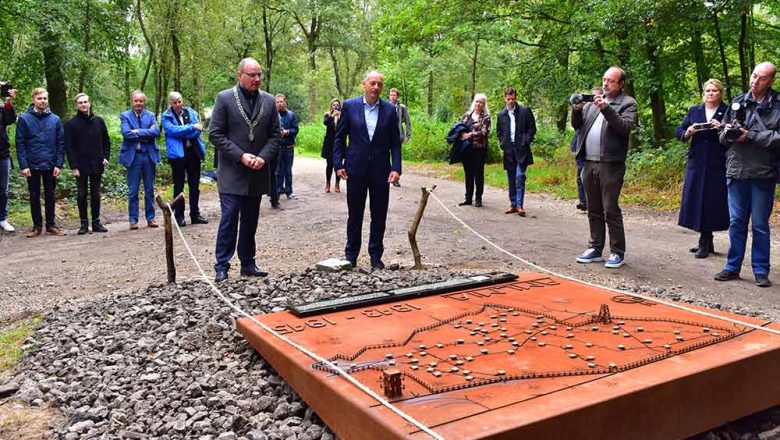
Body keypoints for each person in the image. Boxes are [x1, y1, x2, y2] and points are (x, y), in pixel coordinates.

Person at [209, 57, 281, 283]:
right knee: (229, 218)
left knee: (251, 219)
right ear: (239, 75)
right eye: (252, 75)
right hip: (232, 171)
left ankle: (248, 262)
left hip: (257, 171)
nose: (257, 79)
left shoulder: (269, 101)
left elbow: (275, 136)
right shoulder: (224, 98)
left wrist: (263, 157)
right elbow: (215, 134)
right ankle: (222, 265)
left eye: (259, 75)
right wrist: (240, 155)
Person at [714, 62, 780, 288]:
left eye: (761, 78)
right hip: (736, 170)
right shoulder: (737, 102)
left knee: (760, 224)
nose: (755, 81)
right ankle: (732, 266)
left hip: (763, 173)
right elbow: (722, 139)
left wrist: (749, 136)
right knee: (736, 222)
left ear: (771, 81)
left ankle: (761, 270)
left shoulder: (778, 105)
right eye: (753, 76)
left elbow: (777, 138)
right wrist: (728, 132)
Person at [333, 70, 402, 269]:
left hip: (381, 170)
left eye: (379, 84)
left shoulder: (389, 110)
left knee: (379, 214)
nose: (376, 87)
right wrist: (338, 164)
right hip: (355, 168)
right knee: (355, 213)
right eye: (372, 83)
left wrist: (396, 167)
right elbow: (339, 138)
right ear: (364, 84)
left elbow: (395, 143)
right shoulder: (350, 106)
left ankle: (375, 255)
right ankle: (351, 255)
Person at [572, 66, 638, 269]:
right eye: (604, 79)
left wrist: (606, 108)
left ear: (621, 84)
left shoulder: (628, 103)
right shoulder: (593, 102)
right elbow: (578, 126)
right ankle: (595, 248)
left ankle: (617, 252)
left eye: (611, 80)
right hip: (589, 162)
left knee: (610, 208)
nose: (606, 83)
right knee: (593, 208)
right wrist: (576, 110)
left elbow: (624, 127)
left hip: (611, 164)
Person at [675, 79, 729, 259]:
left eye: (714, 90)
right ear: (703, 93)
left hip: (718, 163)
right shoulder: (694, 111)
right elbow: (680, 130)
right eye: (708, 91)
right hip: (697, 162)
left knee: (712, 201)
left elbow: (734, 132)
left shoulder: (727, 111)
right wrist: (687, 132)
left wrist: (721, 128)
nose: (711, 94)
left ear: (720, 93)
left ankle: (705, 241)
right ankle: (706, 239)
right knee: (696, 199)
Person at [16, 88, 66, 237]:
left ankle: (51, 225)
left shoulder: (55, 119)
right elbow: (20, 143)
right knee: (34, 195)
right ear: (33, 100)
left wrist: (59, 163)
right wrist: (24, 165)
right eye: (40, 99)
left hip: (51, 164)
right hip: (32, 164)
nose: (43, 101)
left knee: (50, 195)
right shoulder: (24, 119)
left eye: (45, 98)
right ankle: (37, 226)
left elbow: (60, 142)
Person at [64, 93, 111, 235]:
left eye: (85, 102)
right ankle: (83, 223)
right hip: (81, 165)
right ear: (76, 105)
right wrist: (73, 166)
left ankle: (96, 222)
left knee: (95, 194)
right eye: (80, 103)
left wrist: (105, 157)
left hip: (97, 162)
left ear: (89, 103)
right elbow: (69, 147)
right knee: (82, 194)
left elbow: (106, 141)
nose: (83, 105)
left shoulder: (98, 121)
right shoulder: (71, 124)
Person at [161, 91, 208, 227]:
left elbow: (197, 130)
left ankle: (195, 214)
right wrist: (190, 127)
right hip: (177, 155)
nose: (178, 104)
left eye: (179, 101)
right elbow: (171, 131)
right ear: (170, 103)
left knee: (194, 185)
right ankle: (179, 216)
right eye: (175, 102)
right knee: (179, 186)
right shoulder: (166, 116)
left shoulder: (191, 112)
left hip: (193, 152)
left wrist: (186, 130)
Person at [119, 90, 160, 230]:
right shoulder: (125, 116)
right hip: (133, 156)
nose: (138, 103)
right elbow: (126, 134)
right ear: (132, 101)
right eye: (136, 101)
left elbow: (156, 132)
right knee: (133, 190)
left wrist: (137, 131)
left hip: (148, 156)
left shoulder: (150, 115)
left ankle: (151, 218)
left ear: (144, 102)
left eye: (141, 101)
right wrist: (146, 132)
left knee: (149, 189)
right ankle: (133, 219)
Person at [497, 87, 536, 216]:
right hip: (508, 149)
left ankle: (520, 205)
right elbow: (499, 132)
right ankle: (513, 204)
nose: (510, 101)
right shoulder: (501, 115)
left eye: (513, 99)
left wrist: (526, 140)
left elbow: (532, 128)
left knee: (520, 176)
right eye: (508, 99)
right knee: (511, 177)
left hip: (521, 149)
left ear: (516, 98)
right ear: (505, 99)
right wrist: (503, 143)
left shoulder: (525, 111)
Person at [570, 86, 603, 212]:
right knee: (581, 175)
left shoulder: (604, 110)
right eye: (591, 96)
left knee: (596, 178)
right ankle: (583, 201)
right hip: (582, 147)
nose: (592, 100)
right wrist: (576, 108)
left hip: (598, 150)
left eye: (596, 96)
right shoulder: (583, 109)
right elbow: (576, 124)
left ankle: (595, 202)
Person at [457, 94, 491, 208]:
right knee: (468, 173)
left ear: (484, 104)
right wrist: (461, 134)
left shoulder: (486, 117)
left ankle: (478, 198)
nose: (478, 104)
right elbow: (460, 126)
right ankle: (468, 198)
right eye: (476, 101)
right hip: (467, 149)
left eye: (481, 102)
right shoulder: (467, 115)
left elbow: (484, 132)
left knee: (478, 173)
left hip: (479, 149)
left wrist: (470, 134)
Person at [0, 82, 17, 233]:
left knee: (3, 189)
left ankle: (2, 218)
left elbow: (10, 120)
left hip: (2, 154)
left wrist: (8, 102)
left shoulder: (1, 108)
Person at [275, 93, 299, 199]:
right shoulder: (273, 115)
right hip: (277, 148)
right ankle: (277, 191)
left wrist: (287, 132)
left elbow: (296, 129)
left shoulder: (291, 115)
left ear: (285, 102)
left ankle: (289, 191)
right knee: (277, 171)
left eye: (281, 101)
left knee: (288, 171)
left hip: (289, 147)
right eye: (278, 102)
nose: (280, 103)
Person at [389, 88, 411, 187]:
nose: (392, 97)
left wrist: (407, 135)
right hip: (386, 135)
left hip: (398, 135)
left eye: (394, 95)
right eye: (391, 95)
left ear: (397, 96)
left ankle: (396, 178)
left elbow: (407, 122)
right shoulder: (386, 106)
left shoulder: (402, 107)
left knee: (396, 156)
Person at [321, 98, 342, 193]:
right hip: (329, 144)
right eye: (334, 105)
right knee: (330, 165)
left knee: (338, 164)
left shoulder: (343, 116)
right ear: (331, 106)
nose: (335, 106)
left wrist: (340, 116)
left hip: (339, 144)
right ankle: (328, 183)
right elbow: (325, 123)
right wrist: (332, 116)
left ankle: (337, 183)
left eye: (337, 105)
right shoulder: (327, 115)